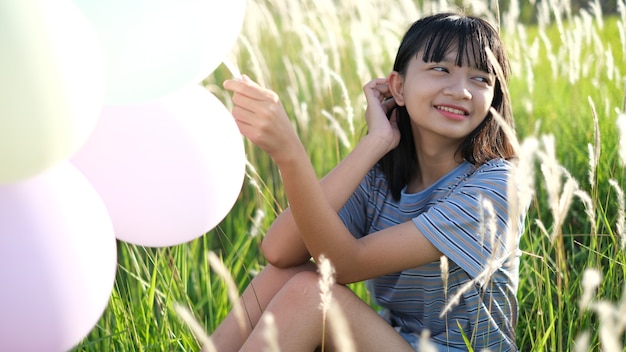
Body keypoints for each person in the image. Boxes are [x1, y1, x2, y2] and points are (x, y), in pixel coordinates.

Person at [215, 11, 525, 351]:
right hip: (397, 343)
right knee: (284, 277)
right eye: (441, 69)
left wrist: (290, 154)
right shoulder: (382, 177)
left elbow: (347, 264)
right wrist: (373, 144)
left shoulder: (495, 186)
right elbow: (279, 251)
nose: (462, 91)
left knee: (311, 295)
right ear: (398, 87)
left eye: (481, 79)